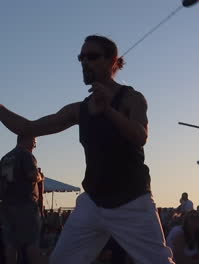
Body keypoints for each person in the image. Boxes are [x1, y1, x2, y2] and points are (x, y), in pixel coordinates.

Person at [0, 35, 174, 263]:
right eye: (81, 57)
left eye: (92, 56)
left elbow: (140, 136)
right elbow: (28, 127)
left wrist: (109, 112)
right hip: (93, 202)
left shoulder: (132, 98)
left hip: (132, 201)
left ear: (113, 61)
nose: (84, 62)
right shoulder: (79, 110)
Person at [0, 136, 42, 264]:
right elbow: (32, 175)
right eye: (34, 142)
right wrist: (40, 177)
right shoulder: (26, 155)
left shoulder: (5, 158)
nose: (35, 146)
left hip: (7, 205)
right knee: (32, 242)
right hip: (26, 205)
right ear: (26, 139)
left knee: (11, 244)